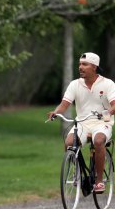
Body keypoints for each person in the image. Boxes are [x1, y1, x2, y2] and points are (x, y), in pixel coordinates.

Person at [48, 52, 115, 193]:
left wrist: (108, 112)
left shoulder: (108, 84)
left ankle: (99, 181)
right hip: (82, 123)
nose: (80, 67)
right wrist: (56, 112)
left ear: (94, 67)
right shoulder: (74, 84)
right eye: (79, 64)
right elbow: (64, 104)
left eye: (85, 64)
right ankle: (76, 170)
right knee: (68, 143)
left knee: (98, 141)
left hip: (102, 122)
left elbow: (114, 104)